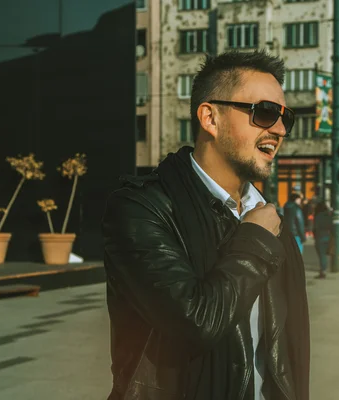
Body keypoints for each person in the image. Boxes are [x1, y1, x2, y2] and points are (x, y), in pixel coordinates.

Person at [102, 50, 310, 400]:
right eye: (263, 113)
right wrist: (254, 240)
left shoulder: (266, 214)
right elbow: (194, 322)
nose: (278, 129)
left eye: (284, 118)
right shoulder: (141, 208)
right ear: (210, 118)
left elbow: (286, 348)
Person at [312, 201, 331, 279]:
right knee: (324, 255)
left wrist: (315, 236)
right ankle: (323, 269)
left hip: (320, 237)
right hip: (328, 236)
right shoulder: (329, 216)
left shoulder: (318, 216)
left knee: (322, 255)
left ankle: (322, 271)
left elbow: (315, 228)